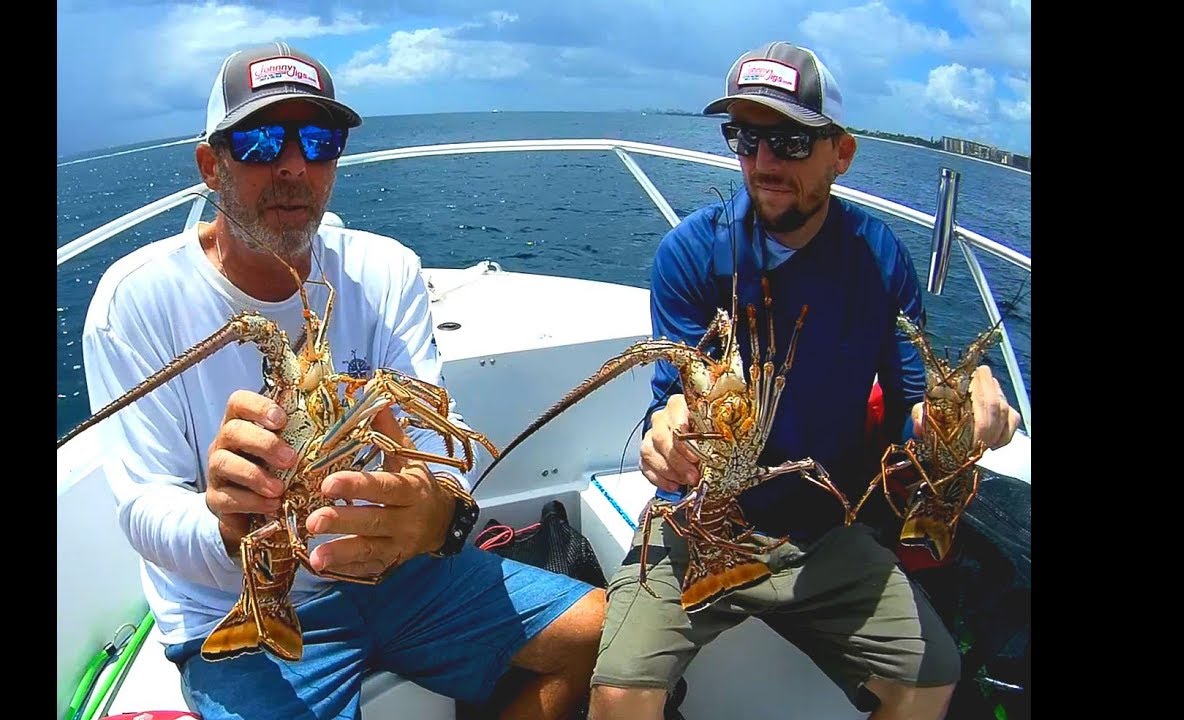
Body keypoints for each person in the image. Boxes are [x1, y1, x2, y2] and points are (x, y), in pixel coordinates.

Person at [82, 41, 604, 720]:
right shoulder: (136, 302)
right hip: (234, 603)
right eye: (262, 140)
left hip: (394, 574)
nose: (293, 165)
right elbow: (144, 506)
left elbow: (434, 437)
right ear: (211, 165)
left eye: (320, 140)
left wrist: (438, 508)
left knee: (601, 633)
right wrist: (228, 525)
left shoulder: (382, 271)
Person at [586, 41, 1023, 720]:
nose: (762, 163)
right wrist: (664, 439)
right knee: (618, 690)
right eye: (745, 137)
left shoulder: (878, 260)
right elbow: (669, 401)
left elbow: (915, 402)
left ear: (839, 153)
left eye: (789, 140)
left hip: (823, 526)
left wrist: (965, 401)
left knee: (934, 673)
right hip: (702, 523)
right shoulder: (692, 254)